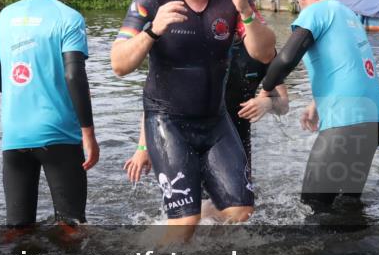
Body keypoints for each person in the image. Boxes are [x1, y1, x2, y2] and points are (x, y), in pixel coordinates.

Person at [110, 0, 275, 238]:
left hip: (214, 121)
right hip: (167, 122)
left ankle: (186, 220)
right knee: (185, 224)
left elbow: (265, 54)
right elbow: (119, 64)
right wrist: (153, 31)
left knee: (241, 212)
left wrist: (248, 13)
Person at [256, 0, 379, 211]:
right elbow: (348, 64)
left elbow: (285, 59)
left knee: (313, 207)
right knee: (348, 206)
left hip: (346, 123)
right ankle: (361, 251)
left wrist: (266, 90)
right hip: (375, 121)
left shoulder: (314, 11)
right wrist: (316, 104)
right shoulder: (348, 14)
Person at [0, 0, 99, 227]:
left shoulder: (5, 16)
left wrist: (23, 91)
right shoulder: (69, 19)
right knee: (71, 226)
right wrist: (88, 134)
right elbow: (74, 75)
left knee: (17, 228)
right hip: (59, 133)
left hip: (15, 134)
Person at [123, 37, 290, 188]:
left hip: (237, 142)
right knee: (190, 207)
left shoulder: (262, 49)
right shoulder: (194, 43)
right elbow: (158, 99)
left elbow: (283, 104)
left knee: (242, 210)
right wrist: (143, 147)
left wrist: (267, 103)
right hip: (187, 136)